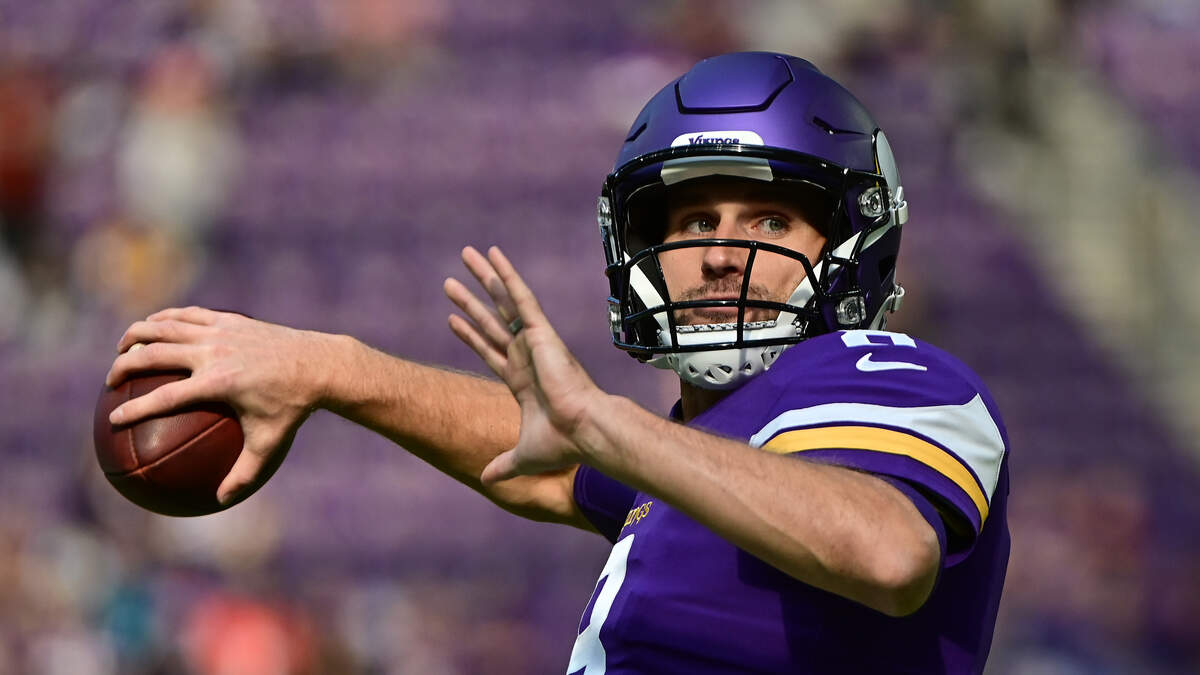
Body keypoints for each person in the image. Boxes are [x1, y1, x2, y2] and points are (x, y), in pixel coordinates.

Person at [105, 52, 1009, 674]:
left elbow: (888, 549)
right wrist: (332, 368)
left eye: (770, 220)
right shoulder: (708, 451)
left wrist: (609, 424)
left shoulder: (891, 375)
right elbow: (551, 466)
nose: (721, 252)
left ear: (855, 242)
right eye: (693, 222)